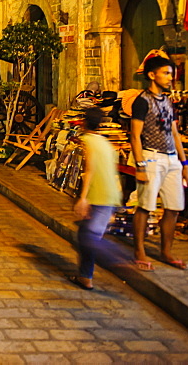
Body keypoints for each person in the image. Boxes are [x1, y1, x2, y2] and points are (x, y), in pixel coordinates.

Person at [130, 55, 188, 271]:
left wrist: (185, 163)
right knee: (145, 206)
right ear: (151, 75)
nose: (170, 78)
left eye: (171, 74)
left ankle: (167, 251)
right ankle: (139, 250)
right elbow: (135, 135)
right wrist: (140, 165)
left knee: (173, 208)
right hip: (151, 156)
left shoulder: (168, 101)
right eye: (166, 73)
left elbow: (175, 132)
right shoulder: (142, 101)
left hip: (172, 157)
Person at [69, 107, 123, 290]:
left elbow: (89, 170)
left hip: (98, 195)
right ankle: (86, 276)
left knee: (89, 238)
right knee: (86, 234)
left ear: (84, 122)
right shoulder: (105, 142)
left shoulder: (87, 142)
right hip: (110, 194)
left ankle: (118, 258)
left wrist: (83, 198)